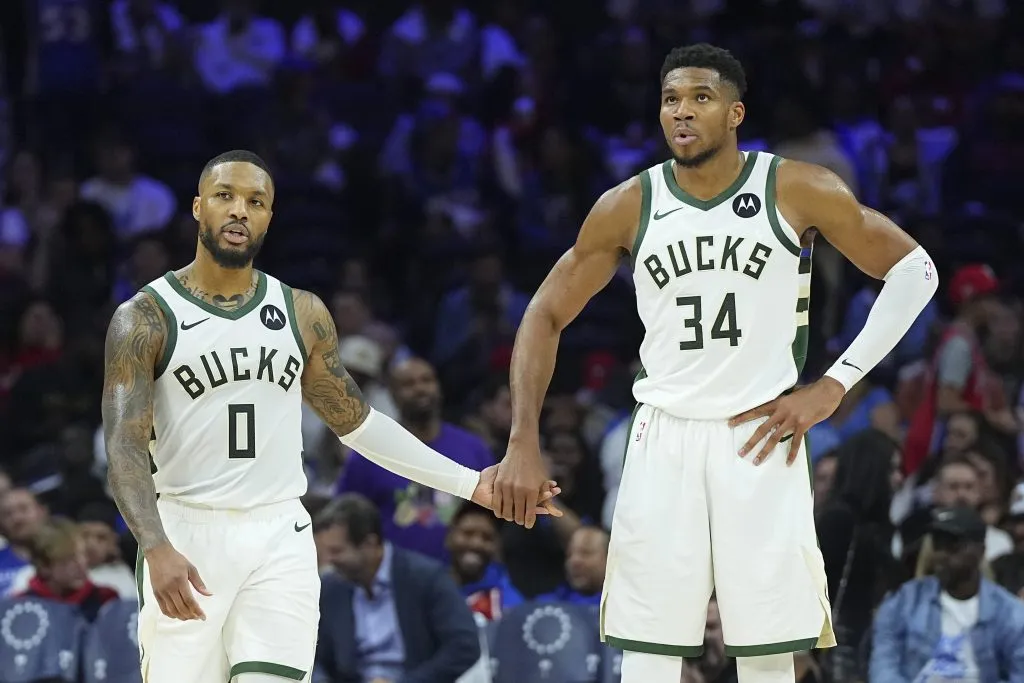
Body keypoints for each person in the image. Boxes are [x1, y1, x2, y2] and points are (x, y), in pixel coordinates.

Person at [492, 43, 938, 683]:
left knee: (766, 649)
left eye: (700, 98)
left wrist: (836, 384)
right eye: (671, 99)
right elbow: (543, 314)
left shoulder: (796, 187)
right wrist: (522, 440)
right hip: (663, 435)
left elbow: (915, 270)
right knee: (648, 649)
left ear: (735, 113)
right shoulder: (629, 204)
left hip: (758, 434)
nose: (682, 112)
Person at [100, 149, 560, 683]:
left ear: (270, 217)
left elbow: (358, 423)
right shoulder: (145, 317)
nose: (240, 211)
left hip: (279, 533)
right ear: (198, 207)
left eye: (256, 201)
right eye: (225, 196)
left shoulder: (301, 312)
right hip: (186, 531)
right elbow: (124, 448)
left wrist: (472, 485)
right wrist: (155, 546)